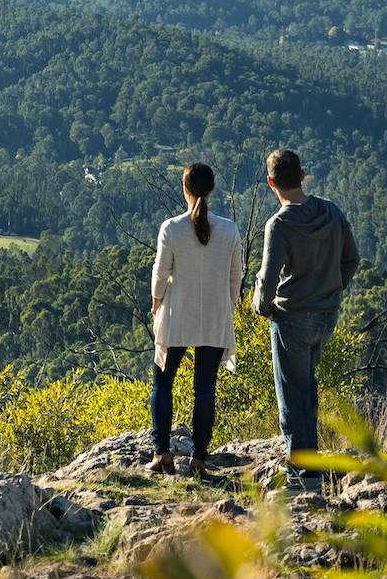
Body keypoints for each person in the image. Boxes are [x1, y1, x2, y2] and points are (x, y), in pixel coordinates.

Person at [252, 149, 359, 482]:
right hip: (326, 317)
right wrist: (329, 290)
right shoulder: (330, 211)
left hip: (292, 318)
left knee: (292, 394)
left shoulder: (279, 224)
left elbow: (268, 279)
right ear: (302, 176)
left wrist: (262, 306)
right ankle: (309, 460)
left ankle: (303, 471)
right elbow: (351, 259)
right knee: (306, 387)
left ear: (272, 183)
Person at [148, 163, 242, 478]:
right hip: (214, 316)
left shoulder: (171, 228)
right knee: (205, 390)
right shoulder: (228, 229)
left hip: (177, 313)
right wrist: (226, 307)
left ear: (184, 188)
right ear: (212, 189)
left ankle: (162, 452)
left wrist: (156, 301)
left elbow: (161, 272)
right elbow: (235, 276)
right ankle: (199, 458)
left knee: (163, 382)